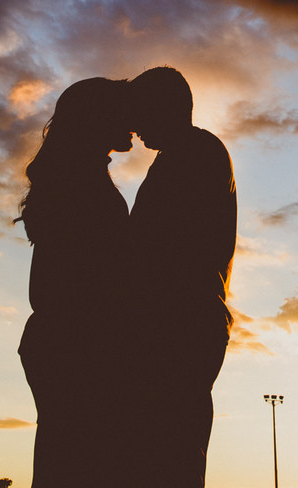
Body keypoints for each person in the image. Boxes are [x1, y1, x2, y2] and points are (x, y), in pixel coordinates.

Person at [16, 77, 134, 488]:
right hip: (77, 342)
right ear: (98, 119)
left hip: (64, 339)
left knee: (66, 462)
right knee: (78, 465)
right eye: (125, 111)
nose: (134, 122)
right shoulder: (80, 181)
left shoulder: (77, 174)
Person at [127, 66, 237, 487]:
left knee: (168, 452)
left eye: (140, 113)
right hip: (184, 321)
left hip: (180, 324)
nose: (134, 128)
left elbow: (156, 246)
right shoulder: (185, 154)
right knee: (169, 450)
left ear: (164, 108)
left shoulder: (193, 152)